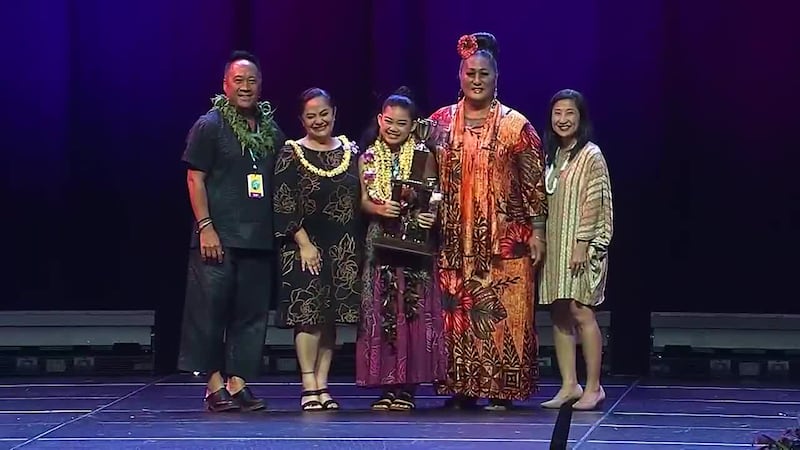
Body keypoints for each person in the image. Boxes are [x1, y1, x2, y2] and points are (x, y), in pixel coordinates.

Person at [429, 32, 548, 411]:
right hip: (452, 240)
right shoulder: (439, 123)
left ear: (496, 78)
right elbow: (424, 178)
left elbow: (534, 186)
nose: (476, 80)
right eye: (470, 73)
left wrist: (539, 233)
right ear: (459, 76)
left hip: (506, 242)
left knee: (504, 315)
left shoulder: (518, 127)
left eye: (483, 73)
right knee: (458, 315)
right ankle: (462, 387)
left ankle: (502, 389)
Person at [177, 50, 285, 412]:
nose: (245, 87)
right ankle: (212, 386)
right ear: (225, 85)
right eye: (238, 80)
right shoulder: (210, 125)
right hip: (218, 238)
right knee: (208, 313)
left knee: (251, 315)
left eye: (251, 80)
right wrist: (206, 227)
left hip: (258, 239)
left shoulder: (271, 131)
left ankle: (238, 383)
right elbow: (195, 178)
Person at [355, 87, 446, 411]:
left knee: (412, 311)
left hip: (413, 242)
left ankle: (408, 387)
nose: (394, 128)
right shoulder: (367, 156)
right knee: (383, 312)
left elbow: (434, 196)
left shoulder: (423, 156)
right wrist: (378, 210)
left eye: (401, 124)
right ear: (380, 120)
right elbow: (364, 199)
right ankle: (387, 385)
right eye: (389, 121)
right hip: (381, 241)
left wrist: (428, 215)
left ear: (412, 126)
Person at [273, 88, 362, 411]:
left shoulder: (351, 151)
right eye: (311, 116)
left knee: (331, 320)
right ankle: (308, 383)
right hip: (304, 246)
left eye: (323, 113)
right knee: (308, 317)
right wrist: (305, 244)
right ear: (301, 120)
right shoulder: (291, 153)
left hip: (343, 247)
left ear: (334, 113)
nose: (318, 120)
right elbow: (283, 203)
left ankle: (324, 385)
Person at [539, 89, 613, 411]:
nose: (563, 119)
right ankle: (570, 384)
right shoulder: (553, 155)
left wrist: (583, 244)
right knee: (558, 313)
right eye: (557, 113)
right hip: (555, 245)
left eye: (569, 113)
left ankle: (594, 387)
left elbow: (594, 203)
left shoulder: (590, 154)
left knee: (582, 312)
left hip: (580, 246)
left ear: (580, 117)